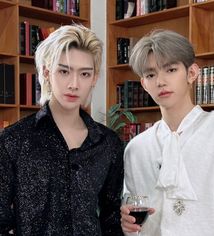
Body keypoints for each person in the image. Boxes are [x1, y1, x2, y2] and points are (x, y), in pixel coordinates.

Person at [0, 24, 124, 236]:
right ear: (47, 73)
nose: (74, 84)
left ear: (94, 78)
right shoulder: (13, 140)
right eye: (64, 71)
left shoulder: (109, 143)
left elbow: (111, 221)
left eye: (84, 74)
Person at [120, 29, 214, 235]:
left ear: (191, 73)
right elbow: (135, 224)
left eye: (170, 70)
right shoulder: (136, 149)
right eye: (150, 74)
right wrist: (127, 224)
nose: (160, 81)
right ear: (144, 85)